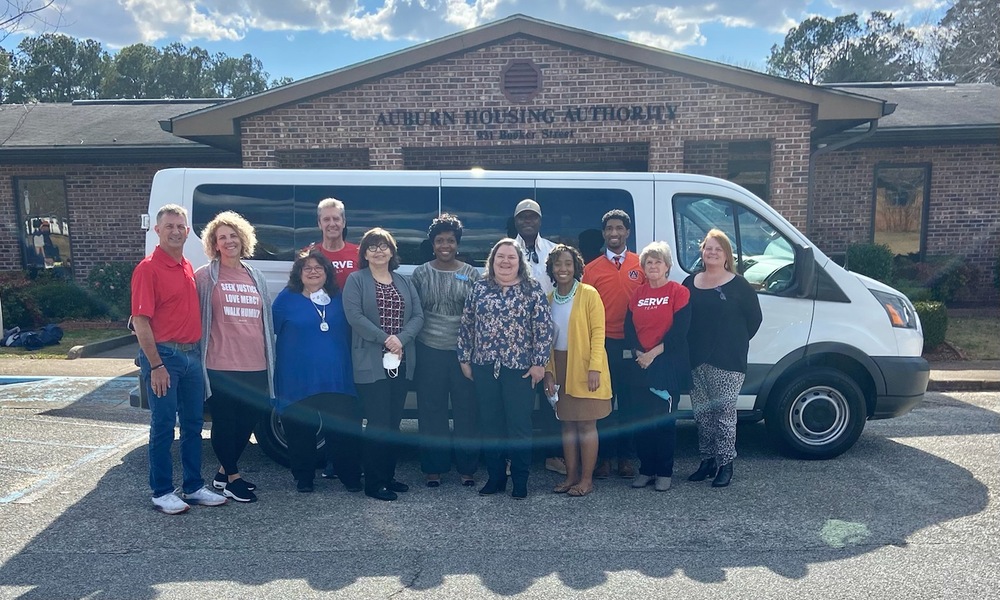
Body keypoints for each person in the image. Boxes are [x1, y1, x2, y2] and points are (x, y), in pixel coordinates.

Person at [131, 204, 226, 514]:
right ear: (157, 230)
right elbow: (141, 320)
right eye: (169, 226)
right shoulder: (148, 268)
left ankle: (193, 486)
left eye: (180, 226)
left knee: (193, 424)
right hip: (165, 357)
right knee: (162, 425)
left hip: (191, 356)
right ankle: (161, 491)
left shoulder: (185, 264)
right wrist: (156, 364)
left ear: (188, 231)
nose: (175, 231)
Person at [458, 238, 554, 499]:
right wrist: (464, 358)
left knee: (519, 426)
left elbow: (544, 330)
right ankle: (495, 478)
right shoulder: (480, 288)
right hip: (484, 365)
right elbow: (467, 324)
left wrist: (539, 364)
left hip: (520, 369)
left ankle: (520, 481)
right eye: (500, 256)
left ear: (519, 262)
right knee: (491, 425)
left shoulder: (532, 290)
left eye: (511, 257)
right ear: (492, 260)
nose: (505, 261)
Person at [194, 211, 275, 503]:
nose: (229, 241)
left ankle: (221, 474)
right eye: (222, 238)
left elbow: (264, 319)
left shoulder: (256, 276)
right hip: (220, 363)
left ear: (243, 239)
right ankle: (232, 479)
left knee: (249, 421)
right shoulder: (205, 276)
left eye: (233, 235)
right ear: (214, 244)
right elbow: (189, 311)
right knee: (225, 423)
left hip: (256, 363)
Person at [343, 228, 424, 501]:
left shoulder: (404, 281)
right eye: (372, 247)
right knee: (378, 422)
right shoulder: (356, 280)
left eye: (384, 246)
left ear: (392, 251)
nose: (378, 251)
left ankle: (388, 476)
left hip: (401, 361)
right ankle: (374, 484)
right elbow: (354, 316)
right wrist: (386, 339)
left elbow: (418, 316)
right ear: (364, 253)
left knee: (393, 422)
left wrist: (400, 339)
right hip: (371, 362)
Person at [271, 249, 362, 494]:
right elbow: (270, 332)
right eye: (307, 268)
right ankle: (304, 478)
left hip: (336, 378)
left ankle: (350, 477)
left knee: (343, 432)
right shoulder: (285, 300)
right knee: (300, 431)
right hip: (298, 378)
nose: (313, 272)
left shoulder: (339, 298)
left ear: (327, 273)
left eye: (318, 268)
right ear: (299, 274)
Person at [683, 229, 762, 488]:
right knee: (702, 415)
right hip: (696, 359)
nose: (713, 252)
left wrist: (733, 342)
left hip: (728, 360)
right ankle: (707, 461)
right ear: (702, 252)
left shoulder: (739, 286)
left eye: (718, 249)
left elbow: (754, 321)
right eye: (708, 248)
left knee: (724, 415)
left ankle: (725, 464)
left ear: (727, 255)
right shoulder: (690, 283)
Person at [411, 214, 481, 488]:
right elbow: (414, 313)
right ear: (432, 244)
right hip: (429, 350)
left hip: (464, 353)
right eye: (439, 240)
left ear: (457, 243)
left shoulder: (471, 273)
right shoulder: (421, 273)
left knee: (467, 411)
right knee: (432, 411)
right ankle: (433, 467)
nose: (445, 245)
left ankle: (467, 468)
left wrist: (472, 351)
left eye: (450, 240)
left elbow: (477, 315)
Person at [542, 245, 611, 497]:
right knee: (567, 425)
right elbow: (544, 340)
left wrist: (594, 367)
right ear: (551, 268)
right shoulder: (548, 299)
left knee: (586, 425)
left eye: (568, 264)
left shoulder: (589, 294)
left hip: (585, 366)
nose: (563, 269)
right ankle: (570, 477)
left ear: (576, 267)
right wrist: (549, 372)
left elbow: (598, 333)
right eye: (558, 264)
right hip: (560, 367)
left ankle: (586, 480)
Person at [582, 209, 645, 479]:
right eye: (609, 228)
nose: (614, 233)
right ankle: (604, 459)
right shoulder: (591, 268)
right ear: (604, 232)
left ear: (627, 232)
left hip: (633, 343)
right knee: (605, 404)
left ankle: (626, 459)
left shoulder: (641, 263)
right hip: (604, 344)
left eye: (619, 228)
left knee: (631, 404)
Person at [624, 241, 691, 492]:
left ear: (667, 266)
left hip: (667, 365)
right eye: (648, 263)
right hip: (640, 365)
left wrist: (652, 354)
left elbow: (680, 332)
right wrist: (638, 352)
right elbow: (628, 328)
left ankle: (664, 472)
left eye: (658, 262)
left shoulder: (678, 292)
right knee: (642, 422)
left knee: (663, 423)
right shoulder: (638, 294)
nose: (653, 266)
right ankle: (646, 470)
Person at [302, 197, 358, 479]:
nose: (332, 223)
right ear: (319, 223)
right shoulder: (309, 255)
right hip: (323, 339)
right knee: (326, 398)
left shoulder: (359, 253)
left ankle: (346, 459)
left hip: (352, 336)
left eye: (337, 218)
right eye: (327, 219)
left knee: (349, 401)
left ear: (344, 222)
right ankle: (332, 461)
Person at [511, 198, 562, 474]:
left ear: (540, 221)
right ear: (516, 221)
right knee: (517, 401)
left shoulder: (553, 251)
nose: (528, 221)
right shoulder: (507, 250)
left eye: (532, 217)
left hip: (549, 334)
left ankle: (554, 455)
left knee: (551, 396)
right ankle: (514, 458)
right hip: (516, 337)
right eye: (522, 217)